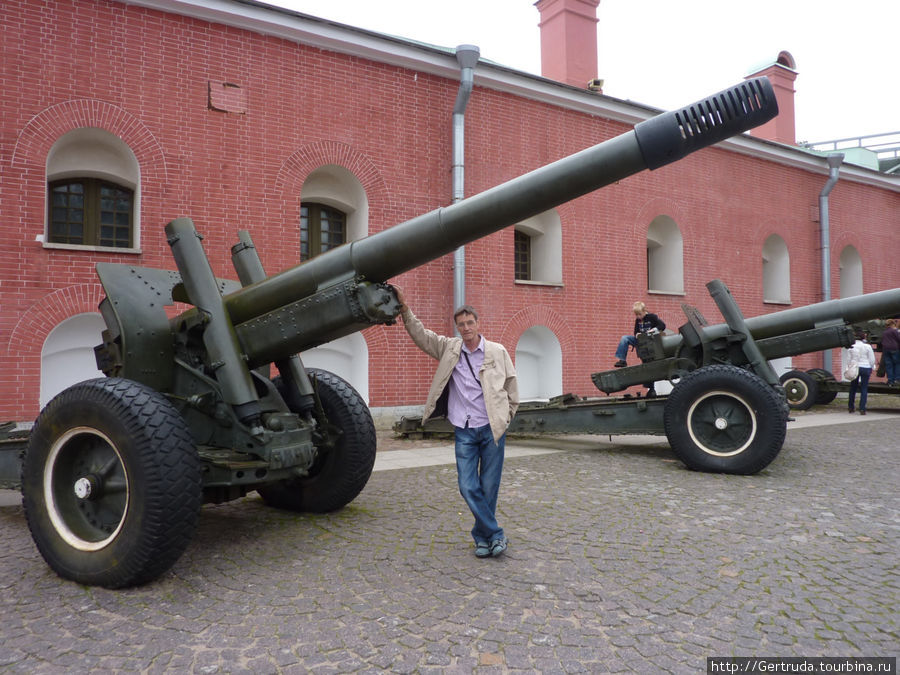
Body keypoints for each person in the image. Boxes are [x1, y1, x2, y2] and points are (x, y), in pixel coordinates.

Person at [396, 289, 519, 559]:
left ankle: (482, 539)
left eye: (469, 323)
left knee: (488, 487)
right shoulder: (450, 348)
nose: (465, 328)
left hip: (490, 430)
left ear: (478, 323)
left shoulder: (496, 351)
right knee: (467, 486)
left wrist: (505, 417)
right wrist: (405, 310)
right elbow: (422, 336)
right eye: (461, 324)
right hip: (464, 430)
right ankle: (495, 534)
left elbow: (512, 387)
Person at [846, 331, 876, 415]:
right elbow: (872, 359)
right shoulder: (867, 346)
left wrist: (849, 367)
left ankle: (851, 407)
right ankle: (862, 408)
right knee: (864, 388)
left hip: (855, 367)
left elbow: (849, 359)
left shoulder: (852, 347)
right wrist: (872, 366)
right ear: (863, 338)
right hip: (865, 367)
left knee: (853, 388)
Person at [880, 318, 900, 387]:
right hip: (894, 349)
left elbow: (882, 340)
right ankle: (896, 379)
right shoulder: (894, 331)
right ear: (892, 324)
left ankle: (890, 380)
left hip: (886, 349)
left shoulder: (884, 332)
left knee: (889, 365)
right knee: (897, 364)